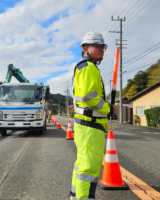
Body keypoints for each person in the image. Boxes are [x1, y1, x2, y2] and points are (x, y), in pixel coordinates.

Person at [68, 31, 117, 200]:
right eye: (97, 46)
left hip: (85, 124)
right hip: (90, 124)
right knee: (89, 168)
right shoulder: (88, 67)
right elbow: (89, 96)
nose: (101, 49)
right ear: (86, 48)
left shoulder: (85, 66)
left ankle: (75, 196)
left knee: (82, 165)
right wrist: (109, 109)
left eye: (103, 46)